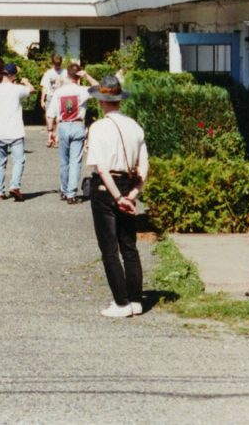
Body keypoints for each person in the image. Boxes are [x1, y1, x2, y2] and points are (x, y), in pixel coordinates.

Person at [86, 75, 149, 318]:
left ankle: (121, 302)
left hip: (106, 188)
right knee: (129, 245)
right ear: (119, 99)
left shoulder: (98, 128)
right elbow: (144, 165)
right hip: (129, 184)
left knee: (109, 247)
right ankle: (135, 300)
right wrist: (132, 194)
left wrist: (116, 196)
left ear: (101, 101)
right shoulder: (135, 126)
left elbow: (100, 167)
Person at [0, 63, 34, 202]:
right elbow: (32, 90)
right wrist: (26, 82)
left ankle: (0, 191)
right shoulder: (18, 89)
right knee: (18, 160)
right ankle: (15, 185)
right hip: (15, 131)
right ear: (12, 75)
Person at [51, 64, 99, 204]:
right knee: (75, 161)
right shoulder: (83, 91)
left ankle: (64, 190)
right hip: (78, 124)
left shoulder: (59, 92)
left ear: (67, 75)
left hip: (63, 125)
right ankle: (71, 193)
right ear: (79, 76)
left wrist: (50, 131)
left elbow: (50, 114)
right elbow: (99, 88)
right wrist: (87, 76)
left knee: (64, 161)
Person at [40, 54, 66, 148]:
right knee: (49, 117)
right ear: (53, 63)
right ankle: (50, 136)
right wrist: (42, 99)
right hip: (50, 96)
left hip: (61, 97)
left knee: (59, 118)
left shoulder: (65, 72)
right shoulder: (48, 73)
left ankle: (57, 138)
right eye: (55, 64)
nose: (57, 66)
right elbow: (45, 87)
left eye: (58, 64)